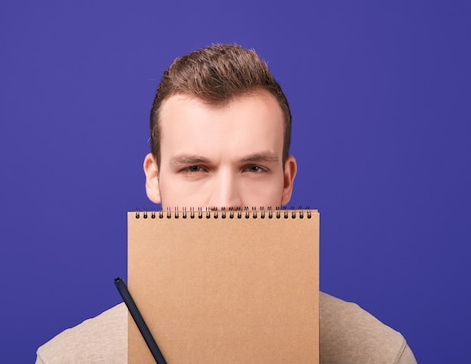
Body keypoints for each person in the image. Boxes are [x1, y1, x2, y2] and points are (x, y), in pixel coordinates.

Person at [36, 44, 417, 363]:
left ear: (286, 181)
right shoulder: (66, 359)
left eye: (253, 167)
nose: (224, 203)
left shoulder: (380, 354)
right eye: (195, 168)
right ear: (154, 178)